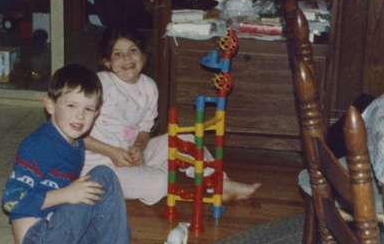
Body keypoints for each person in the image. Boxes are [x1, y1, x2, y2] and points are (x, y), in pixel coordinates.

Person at [82, 27, 261, 206]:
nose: (127, 58)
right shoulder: (100, 83)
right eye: (118, 54)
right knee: (162, 183)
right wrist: (111, 152)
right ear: (107, 62)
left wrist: (139, 146)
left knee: (187, 139)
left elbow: (144, 130)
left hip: (132, 156)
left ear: (144, 56)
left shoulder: (149, 87)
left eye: (133, 50)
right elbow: (75, 133)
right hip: (100, 167)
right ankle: (148, 175)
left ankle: (222, 184)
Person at [0, 63, 133, 244]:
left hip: (42, 240)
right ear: (50, 105)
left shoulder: (75, 142)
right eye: (71, 105)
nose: (80, 116)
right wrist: (66, 194)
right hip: (39, 240)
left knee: (113, 233)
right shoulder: (38, 145)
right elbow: (12, 201)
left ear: (97, 113)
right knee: (103, 175)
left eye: (88, 109)